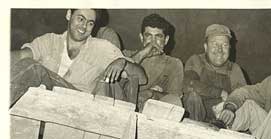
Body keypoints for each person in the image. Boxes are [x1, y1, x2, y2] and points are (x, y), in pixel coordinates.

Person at [10, 8, 146, 106]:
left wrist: (122, 62)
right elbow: (21, 56)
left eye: (90, 23)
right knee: (26, 63)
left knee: (34, 68)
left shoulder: (102, 48)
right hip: (42, 102)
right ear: (69, 14)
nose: (84, 26)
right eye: (80, 19)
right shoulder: (49, 41)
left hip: (77, 105)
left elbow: (142, 78)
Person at [183, 24, 246, 122]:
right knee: (192, 96)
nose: (220, 50)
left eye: (224, 45)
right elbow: (189, 84)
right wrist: (220, 92)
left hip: (221, 122)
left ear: (230, 48)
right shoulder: (196, 60)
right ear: (205, 47)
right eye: (214, 44)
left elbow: (242, 96)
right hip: (195, 119)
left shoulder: (234, 69)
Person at [124, 13, 184, 111]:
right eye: (148, 36)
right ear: (141, 37)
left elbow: (174, 99)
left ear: (166, 40)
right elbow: (120, 73)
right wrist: (142, 54)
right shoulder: (126, 55)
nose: (153, 42)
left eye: (158, 36)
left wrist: (152, 93)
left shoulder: (174, 64)